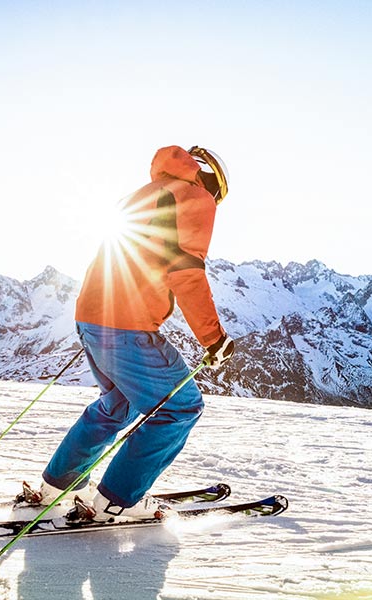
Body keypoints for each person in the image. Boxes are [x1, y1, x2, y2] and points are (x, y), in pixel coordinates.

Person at [22, 145, 235, 522]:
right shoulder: (195, 197)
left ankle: (59, 485)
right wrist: (213, 339)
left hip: (93, 315)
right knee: (181, 407)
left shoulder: (144, 194)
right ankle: (118, 498)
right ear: (212, 181)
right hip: (126, 325)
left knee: (115, 406)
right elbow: (185, 271)